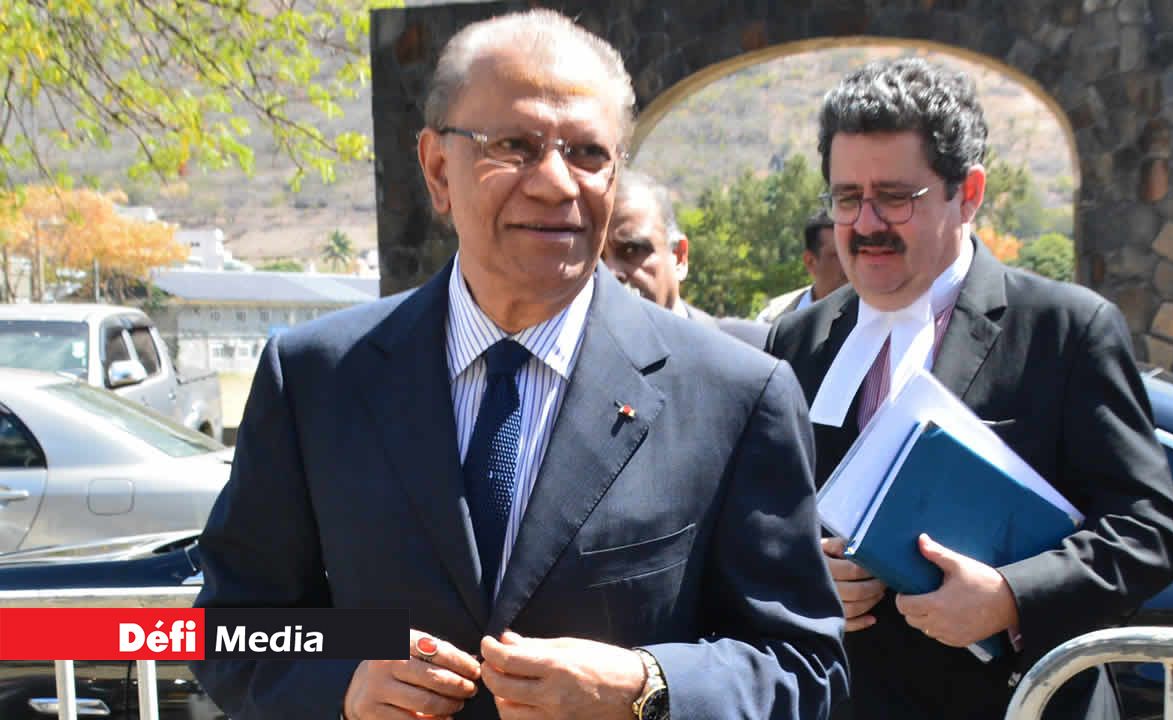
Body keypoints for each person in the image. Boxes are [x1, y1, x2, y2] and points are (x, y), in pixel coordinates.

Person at [190, 9, 846, 720]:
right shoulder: (316, 377)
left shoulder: (734, 395)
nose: (556, 183)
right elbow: (227, 628)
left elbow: (805, 667)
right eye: (515, 146)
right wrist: (344, 680)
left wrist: (646, 686)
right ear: (438, 169)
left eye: (588, 152)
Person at [765, 57, 1173, 720]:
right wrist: (804, 575)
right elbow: (763, 525)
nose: (866, 224)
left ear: (968, 193)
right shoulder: (798, 339)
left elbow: (1150, 532)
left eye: (895, 197)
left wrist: (1010, 595)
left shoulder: (1065, 329)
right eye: (847, 198)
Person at [604, 169, 769, 346]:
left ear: (679, 257)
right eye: (597, 259)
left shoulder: (757, 349)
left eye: (632, 250)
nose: (610, 272)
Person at [756, 210, 846, 323]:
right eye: (838, 256)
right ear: (810, 261)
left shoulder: (866, 320)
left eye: (853, 253)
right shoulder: (772, 319)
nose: (848, 264)